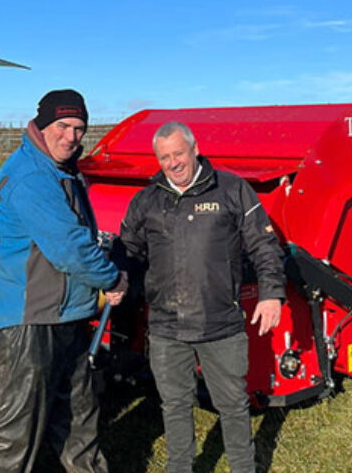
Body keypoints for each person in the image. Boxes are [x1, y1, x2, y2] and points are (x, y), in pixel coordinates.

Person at [0, 89, 127, 473]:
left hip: (65, 316)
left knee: (78, 422)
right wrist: (111, 279)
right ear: (41, 124)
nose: (71, 136)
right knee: (9, 435)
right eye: (63, 125)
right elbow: (70, 248)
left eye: (79, 128)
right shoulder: (32, 176)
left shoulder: (62, 172)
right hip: (27, 322)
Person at [119, 122, 285, 473]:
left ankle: (244, 468)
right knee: (175, 406)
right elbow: (129, 250)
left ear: (195, 149)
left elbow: (263, 245)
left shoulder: (231, 189)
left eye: (178, 153)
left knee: (234, 406)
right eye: (164, 157)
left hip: (220, 324)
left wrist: (272, 294)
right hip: (166, 327)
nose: (173, 163)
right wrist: (116, 279)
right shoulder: (147, 199)